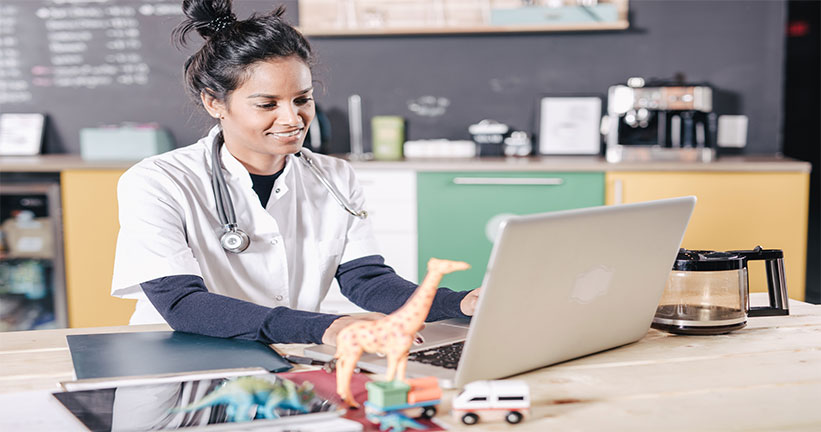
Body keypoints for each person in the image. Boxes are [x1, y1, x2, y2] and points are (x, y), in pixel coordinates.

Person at [110, 0, 480, 346]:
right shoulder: (157, 182)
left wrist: (458, 303)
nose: (292, 119)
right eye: (267, 104)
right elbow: (181, 304)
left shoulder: (334, 176)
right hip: (180, 360)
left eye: (302, 99)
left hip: (284, 356)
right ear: (214, 102)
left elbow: (365, 280)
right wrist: (326, 327)